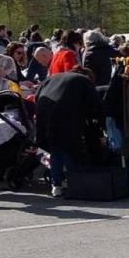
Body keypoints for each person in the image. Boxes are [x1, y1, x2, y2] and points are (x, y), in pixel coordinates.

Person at [35, 67, 104, 197]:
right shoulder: (84, 80)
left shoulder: (53, 77)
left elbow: (37, 96)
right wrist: (99, 122)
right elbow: (96, 105)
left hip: (44, 110)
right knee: (69, 148)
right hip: (66, 115)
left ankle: (56, 185)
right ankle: (74, 182)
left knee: (56, 150)